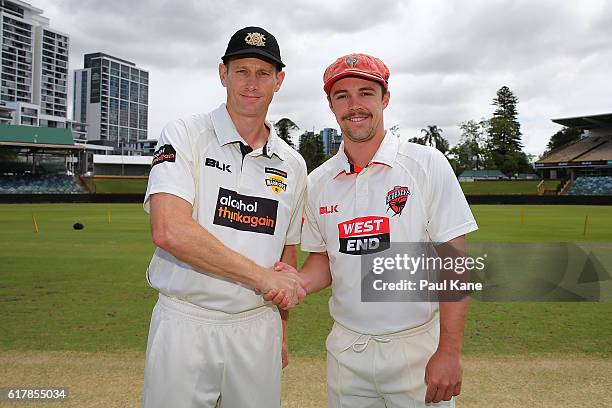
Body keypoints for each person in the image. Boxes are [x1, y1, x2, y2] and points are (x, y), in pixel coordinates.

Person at [266, 53, 478, 407]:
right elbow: (324, 261)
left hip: (417, 350)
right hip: (347, 352)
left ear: (385, 98)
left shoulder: (425, 164)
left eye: (366, 92)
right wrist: (295, 283)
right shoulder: (318, 182)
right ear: (331, 104)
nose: (355, 105)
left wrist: (449, 351)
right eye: (342, 95)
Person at [141, 26, 308, 408]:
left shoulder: (293, 164)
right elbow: (169, 229)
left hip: (257, 327)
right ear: (223, 74)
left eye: (263, 73)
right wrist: (260, 276)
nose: (252, 83)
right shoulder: (184, 135)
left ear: (278, 81)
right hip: (186, 323)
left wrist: (281, 330)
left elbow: (287, 255)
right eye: (242, 71)